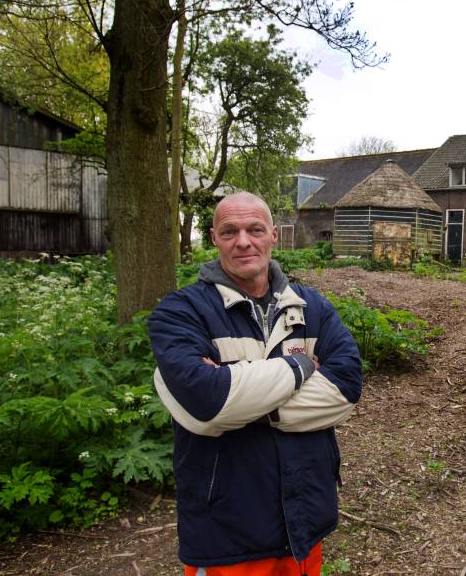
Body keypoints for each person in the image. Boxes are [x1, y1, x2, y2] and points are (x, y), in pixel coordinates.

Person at [149, 192, 363, 576]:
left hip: (304, 522)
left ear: (273, 236)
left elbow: (346, 387)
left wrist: (239, 405)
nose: (243, 241)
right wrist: (298, 366)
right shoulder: (180, 312)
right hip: (226, 530)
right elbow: (207, 401)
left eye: (255, 230)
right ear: (214, 237)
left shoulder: (313, 308)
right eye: (229, 231)